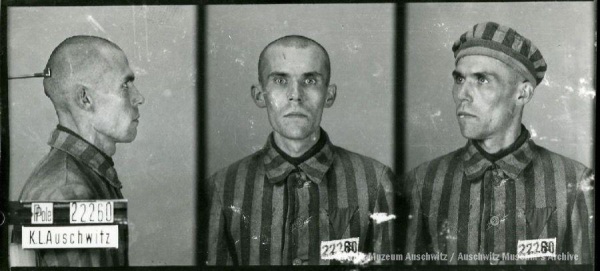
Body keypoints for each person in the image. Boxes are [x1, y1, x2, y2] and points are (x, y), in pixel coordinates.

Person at [402, 22, 594, 265]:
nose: (462, 94)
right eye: (460, 79)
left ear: (522, 94)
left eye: (482, 79)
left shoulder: (575, 183)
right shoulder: (423, 183)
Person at [206, 35, 395, 265]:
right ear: (259, 94)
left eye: (310, 81)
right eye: (280, 80)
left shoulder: (375, 181)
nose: (295, 95)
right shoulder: (222, 187)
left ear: (329, 94)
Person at [10, 35, 144, 267]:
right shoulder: (70, 192)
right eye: (125, 85)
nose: (139, 97)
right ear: (85, 98)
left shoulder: (78, 175)